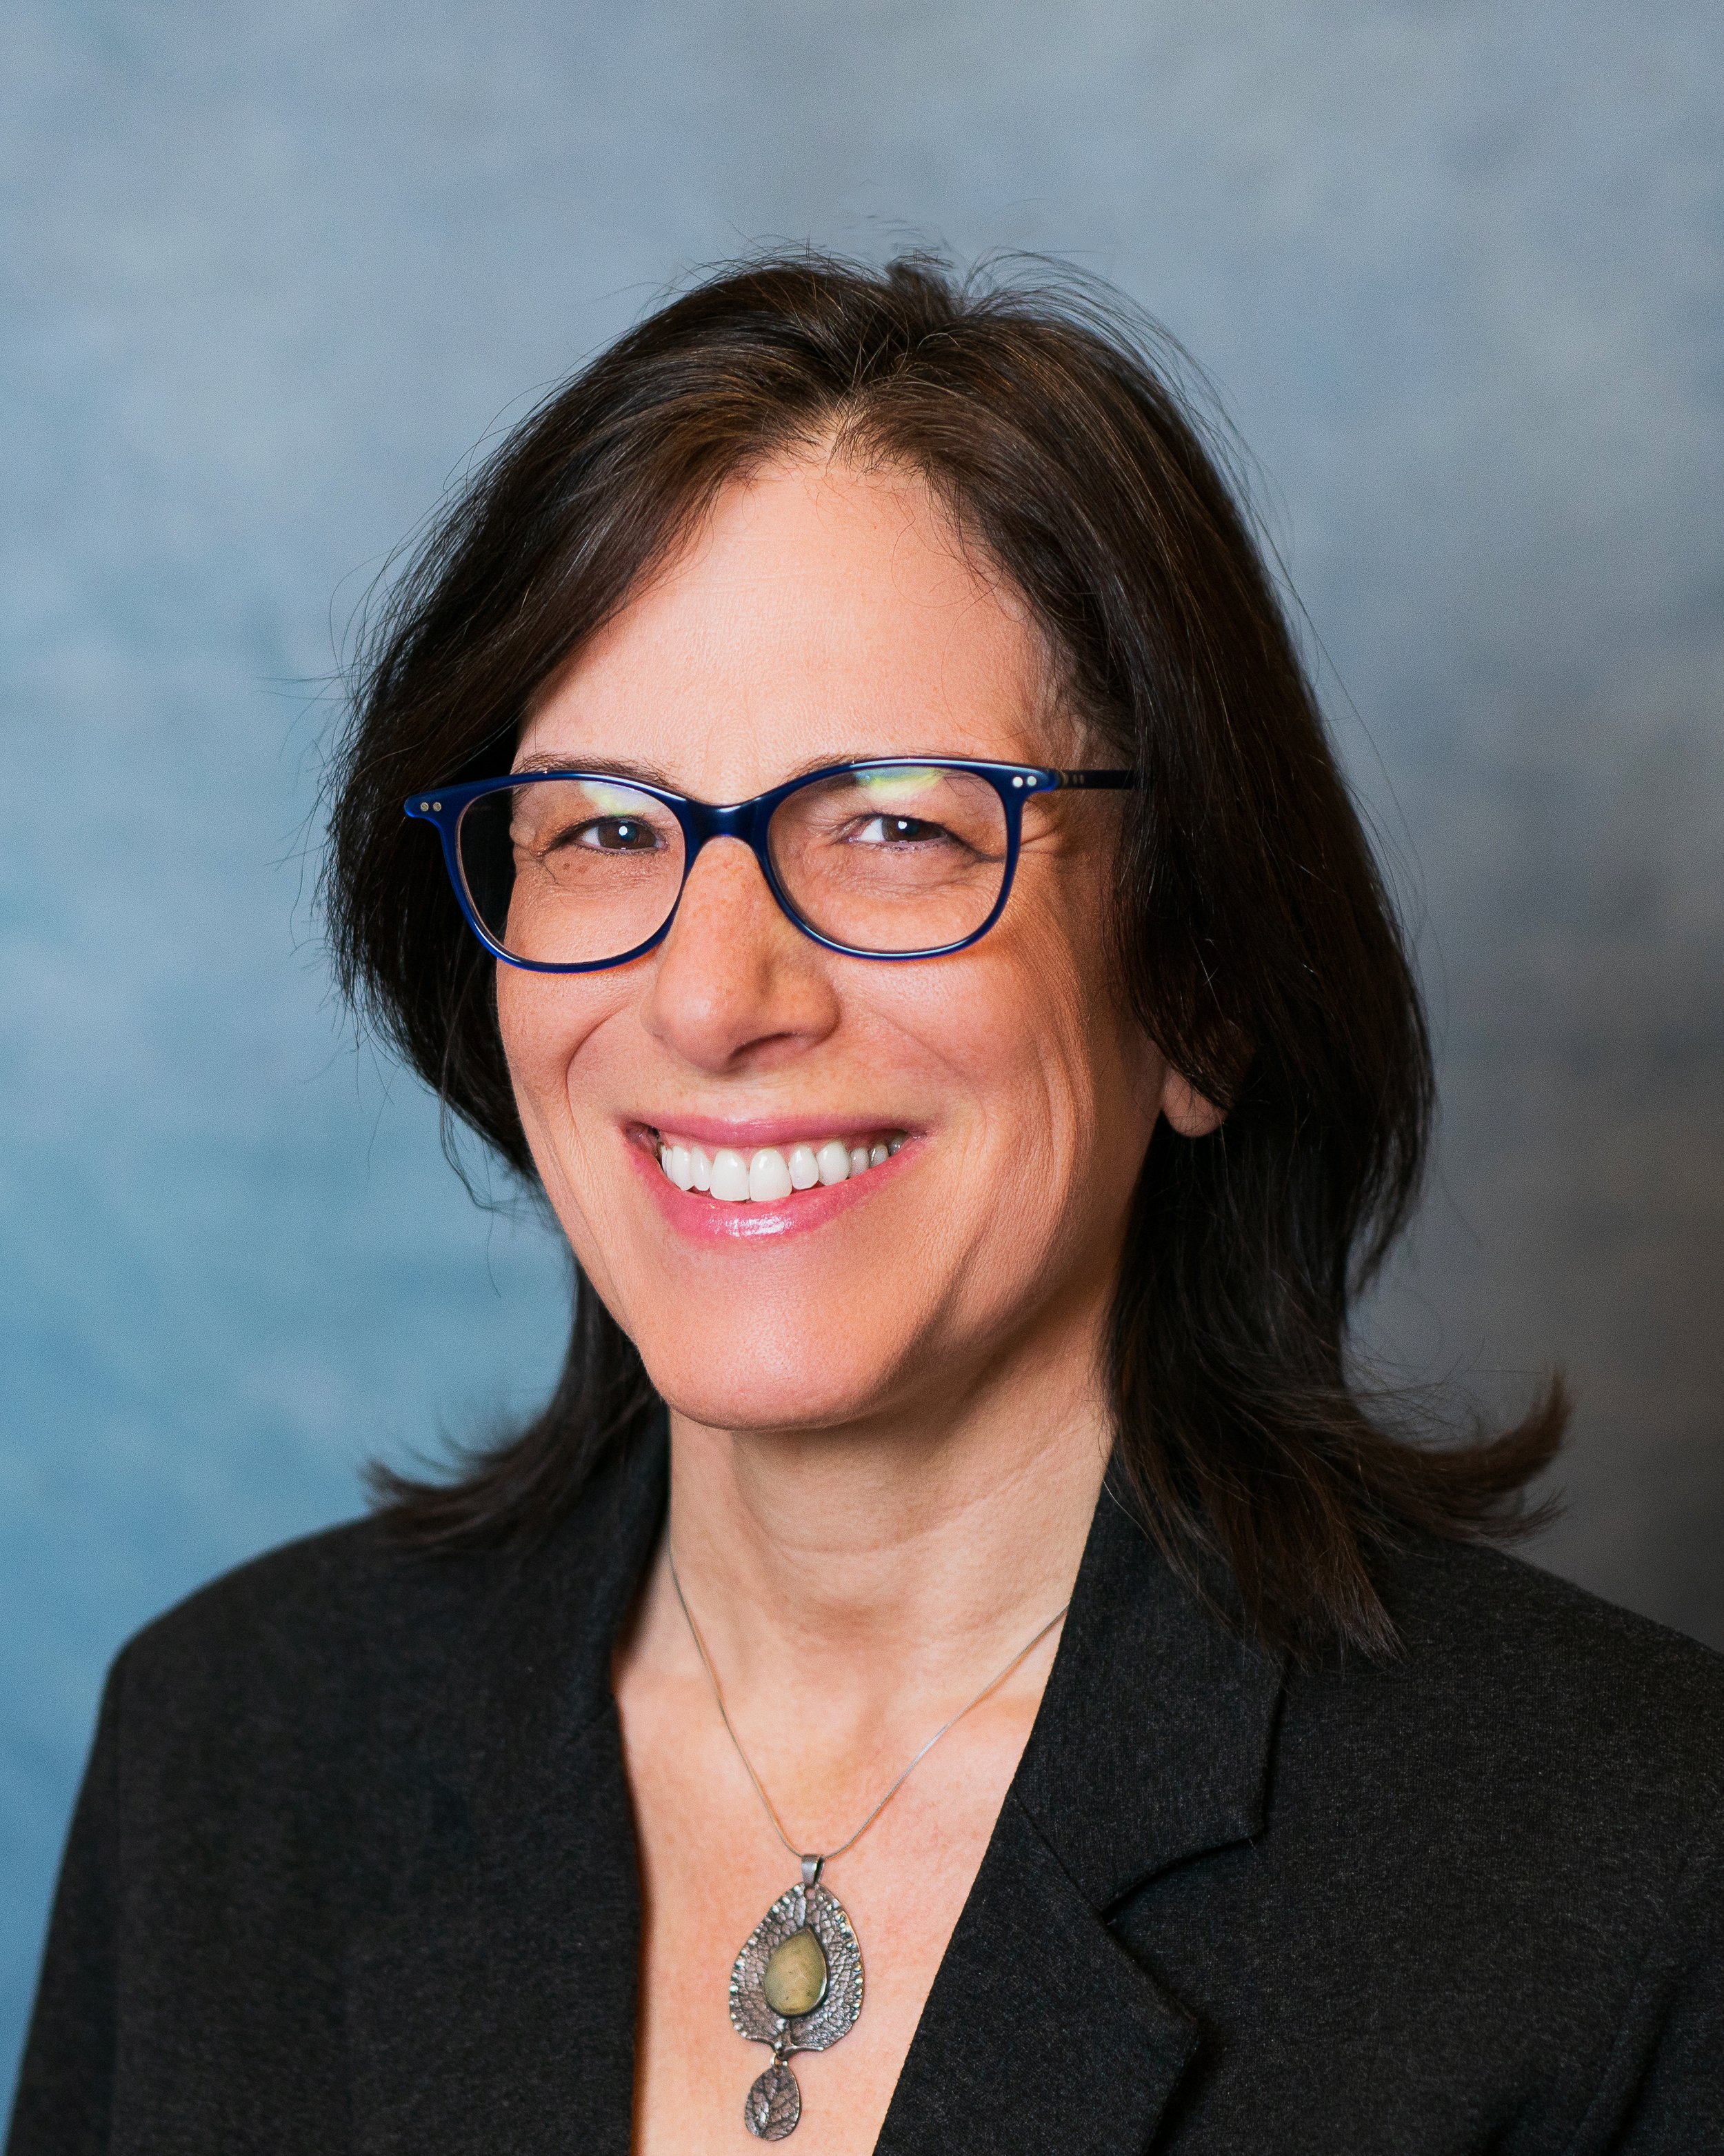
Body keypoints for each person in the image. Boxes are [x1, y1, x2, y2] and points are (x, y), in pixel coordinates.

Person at [10, 254, 1721, 2156]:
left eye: (898, 827)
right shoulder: (231, 1756)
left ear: (1202, 990)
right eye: (603, 828)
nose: (712, 998)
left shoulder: (1635, 1876)